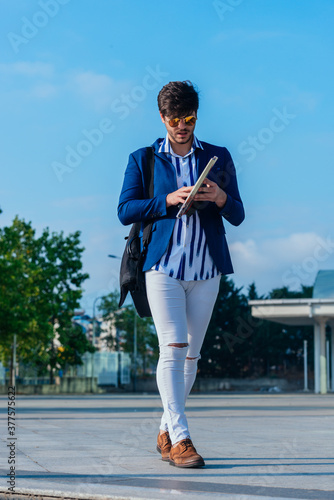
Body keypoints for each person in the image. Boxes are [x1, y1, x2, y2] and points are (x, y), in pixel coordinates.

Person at [118, 81, 244, 468]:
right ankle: (183, 438)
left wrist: (219, 198)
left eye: (188, 118)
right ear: (162, 118)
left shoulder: (218, 157)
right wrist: (167, 200)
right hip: (162, 268)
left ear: (196, 117)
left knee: (191, 356)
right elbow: (125, 209)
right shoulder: (143, 159)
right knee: (172, 347)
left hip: (206, 270)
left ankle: (165, 428)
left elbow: (238, 213)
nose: (181, 126)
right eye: (174, 119)